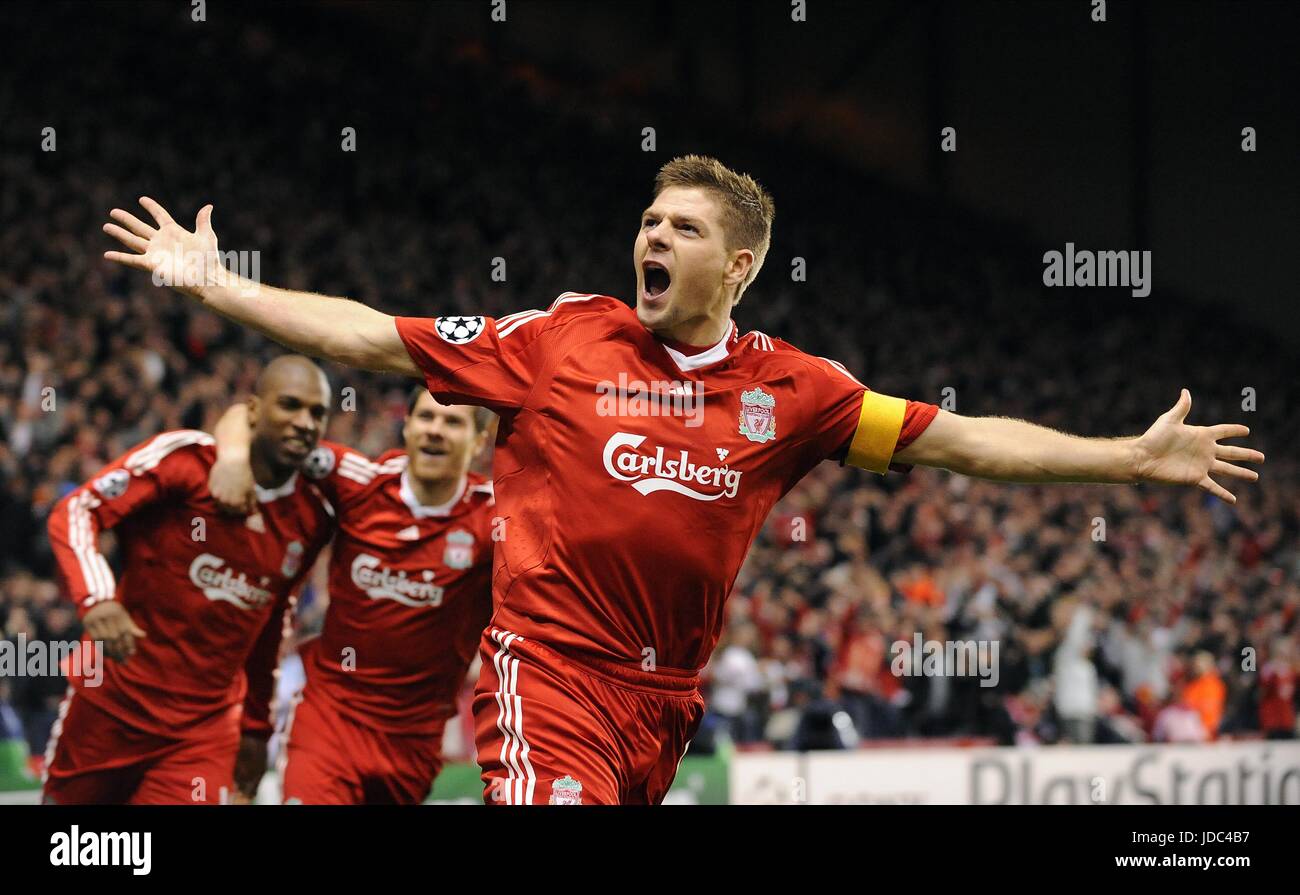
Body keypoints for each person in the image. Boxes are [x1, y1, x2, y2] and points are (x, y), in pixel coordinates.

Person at [101, 155, 1264, 804]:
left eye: (680, 229)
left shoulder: (795, 392)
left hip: (664, 703)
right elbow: (368, 336)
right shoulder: (561, 339)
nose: (649, 239)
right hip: (545, 666)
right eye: (647, 221)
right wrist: (219, 286)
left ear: (738, 264)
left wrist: (1126, 458)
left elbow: (961, 442)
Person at [42, 356, 334, 804]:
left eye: (317, 413)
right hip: (110, 702)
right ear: (253, 411)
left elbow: (270, 625)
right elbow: (78, 510)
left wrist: (255, 727)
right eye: (290, 405)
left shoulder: (311, 518)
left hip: (200, 731)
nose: (304, 422)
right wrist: (97, 598)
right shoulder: (184, 460)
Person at [207, 387, 495, 803]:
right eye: (426, 418)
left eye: (452, 422)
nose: (435, 431)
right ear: (408, 426)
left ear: (479, 441)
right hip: (329, 720)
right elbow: (251, 419)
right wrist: (233, 460)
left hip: (413, 741)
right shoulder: (357, 481)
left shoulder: (495, 518)